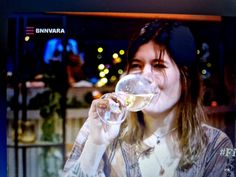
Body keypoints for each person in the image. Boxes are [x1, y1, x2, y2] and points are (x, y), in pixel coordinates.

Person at [62, 20, 235, 177]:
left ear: (185, 80)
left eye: (158, 66)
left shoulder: (215, 145)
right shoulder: (102, 126)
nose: (144, 75)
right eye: (137, 65)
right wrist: (96, 143)